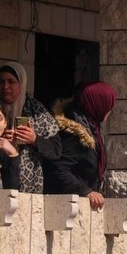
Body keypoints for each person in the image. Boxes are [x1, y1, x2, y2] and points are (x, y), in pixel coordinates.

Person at [0, 62, 62, 193]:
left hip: (28, 191)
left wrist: (34, 139)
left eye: (11, 82)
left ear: (21, 84)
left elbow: (56, 151)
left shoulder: (36, 111)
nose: (5, 86)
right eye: (1, 82)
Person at [44, 82, 116, 210]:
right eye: (108, 103)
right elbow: (57, 167)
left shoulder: (91, 127)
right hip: (65, 207)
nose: (110, 109)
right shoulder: (75, 132)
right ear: (97, 103)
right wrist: (86, 191)